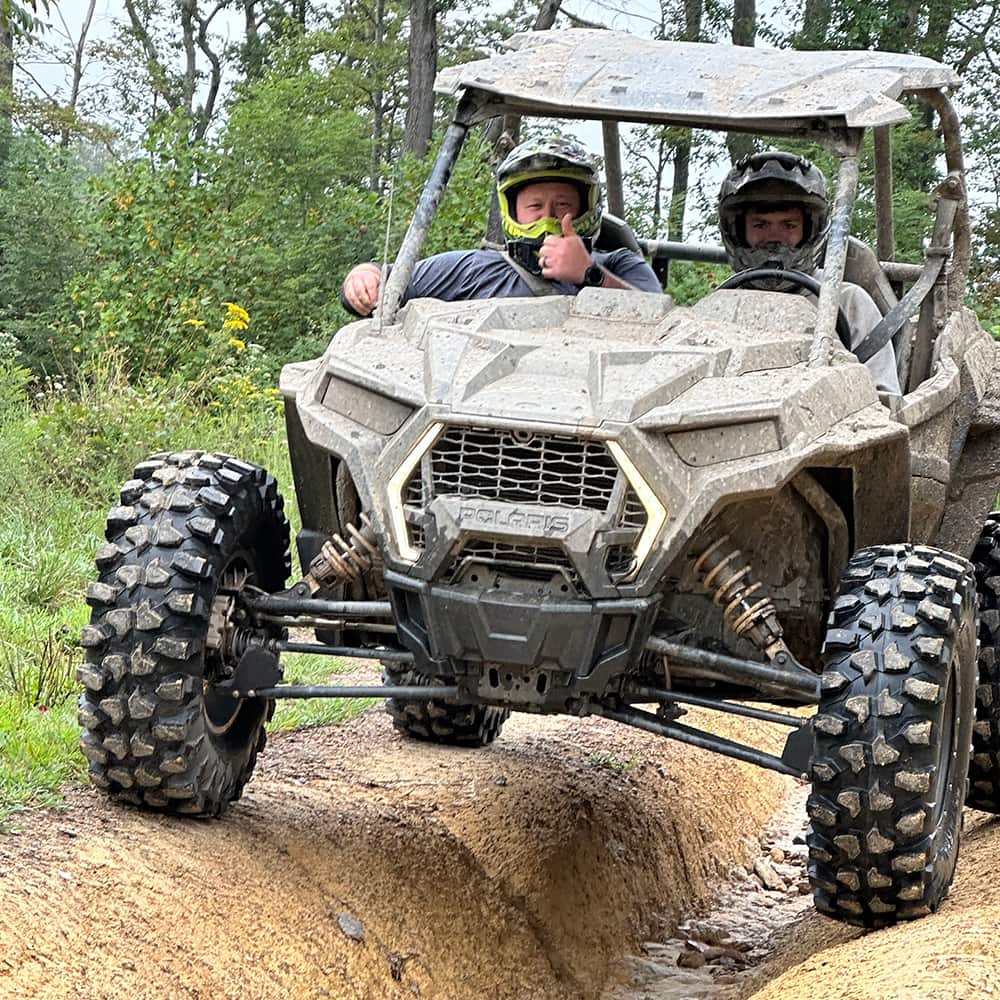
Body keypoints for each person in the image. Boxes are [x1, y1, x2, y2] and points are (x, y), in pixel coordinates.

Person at [341, 135, 661, 317]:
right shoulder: (472, 269)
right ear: (513, 211)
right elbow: (389, 281)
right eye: (534, 206)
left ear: (585, 208)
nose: (548, 216)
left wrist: (589, 274)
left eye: (563, 205)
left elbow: (660, 322)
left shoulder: (620, 264)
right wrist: (364, 277)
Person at [718, 151, 901, 395]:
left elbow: (884, 399)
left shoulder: (847, 302)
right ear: (738, 231)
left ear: (810, 230)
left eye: (789, 225)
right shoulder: (722, 306)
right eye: (760, 225)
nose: (774, 238)